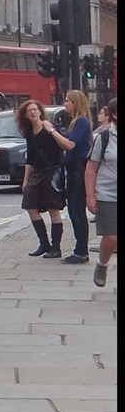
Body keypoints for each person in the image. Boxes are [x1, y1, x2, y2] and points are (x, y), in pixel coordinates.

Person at [17, 99, 66, 258]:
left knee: (53, 209)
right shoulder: (29, 133)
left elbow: (61, 149)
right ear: (25, 115)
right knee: (30, 206)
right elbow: (29, 158)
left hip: (51, 172)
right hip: (37, 173)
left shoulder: (48, 128)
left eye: (35, 109)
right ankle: (44, 243)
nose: (32, 112)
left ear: (40, 112)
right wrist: (25, 180)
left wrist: (52, 131)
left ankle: (56, 247)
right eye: (29, 110)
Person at [51, 90, 93, 263]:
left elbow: (70, 145)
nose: (65, 103)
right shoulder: (75, 123)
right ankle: (79, 249)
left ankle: (81, 251)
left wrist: (52, 131)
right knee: (74, 211)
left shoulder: (82, 121)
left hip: (78, 171)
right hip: (73, 171)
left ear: (76, 103)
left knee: (77, 212)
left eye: (68, 101)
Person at [85, 97, 116, 288]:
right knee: (112, 237)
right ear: (114, 114)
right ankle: (102, 265)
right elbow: (91, 168)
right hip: (108, 194)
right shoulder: (103, 137)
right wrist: (90, 196)